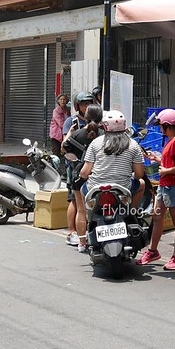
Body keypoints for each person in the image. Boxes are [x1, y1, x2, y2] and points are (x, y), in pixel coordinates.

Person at [137, 108, 175, 270]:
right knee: (157, 218)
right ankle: (153, 251)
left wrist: (166, 171)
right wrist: (157, 159)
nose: (159, 129)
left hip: (174, 186)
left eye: (161, 126)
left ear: (168, 126)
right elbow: (170, 162)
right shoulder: (170, 140)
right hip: (164, 185)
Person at [79, 109, 145, 209]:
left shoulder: (95, 143)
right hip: (124, 188)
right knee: (142, 184)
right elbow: (139, 174)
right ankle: (132, 211)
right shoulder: (133, 145)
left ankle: (88, 216)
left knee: (81, 190)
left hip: (95, 188)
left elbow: (84, 173)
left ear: (105, 125)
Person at [62, 104, 104, 253]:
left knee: (81, 210)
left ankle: (82, 243)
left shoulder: (77, 134)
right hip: (100, 176)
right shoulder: (105, 135)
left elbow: (64, 148)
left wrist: (70, 133)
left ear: (85, 117)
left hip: (80, 176)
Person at [63, 92, 94, 246]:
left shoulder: (96, 122)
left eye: (89, 103)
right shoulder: (72, 121)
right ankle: (71, 231)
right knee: (74, 199)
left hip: (93, 167)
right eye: (83, 104)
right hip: (75, 165)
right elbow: (65, 145)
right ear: (77, 106)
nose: (86, 106)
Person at [49, 93, 69, 158]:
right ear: (58, 101)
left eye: (64, 99)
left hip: (65, 134)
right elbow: (61, 123)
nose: (62, 101)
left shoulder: (68, 110)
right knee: (56, 154)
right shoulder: (56, 111)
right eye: (61, 99)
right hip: (56, 135)